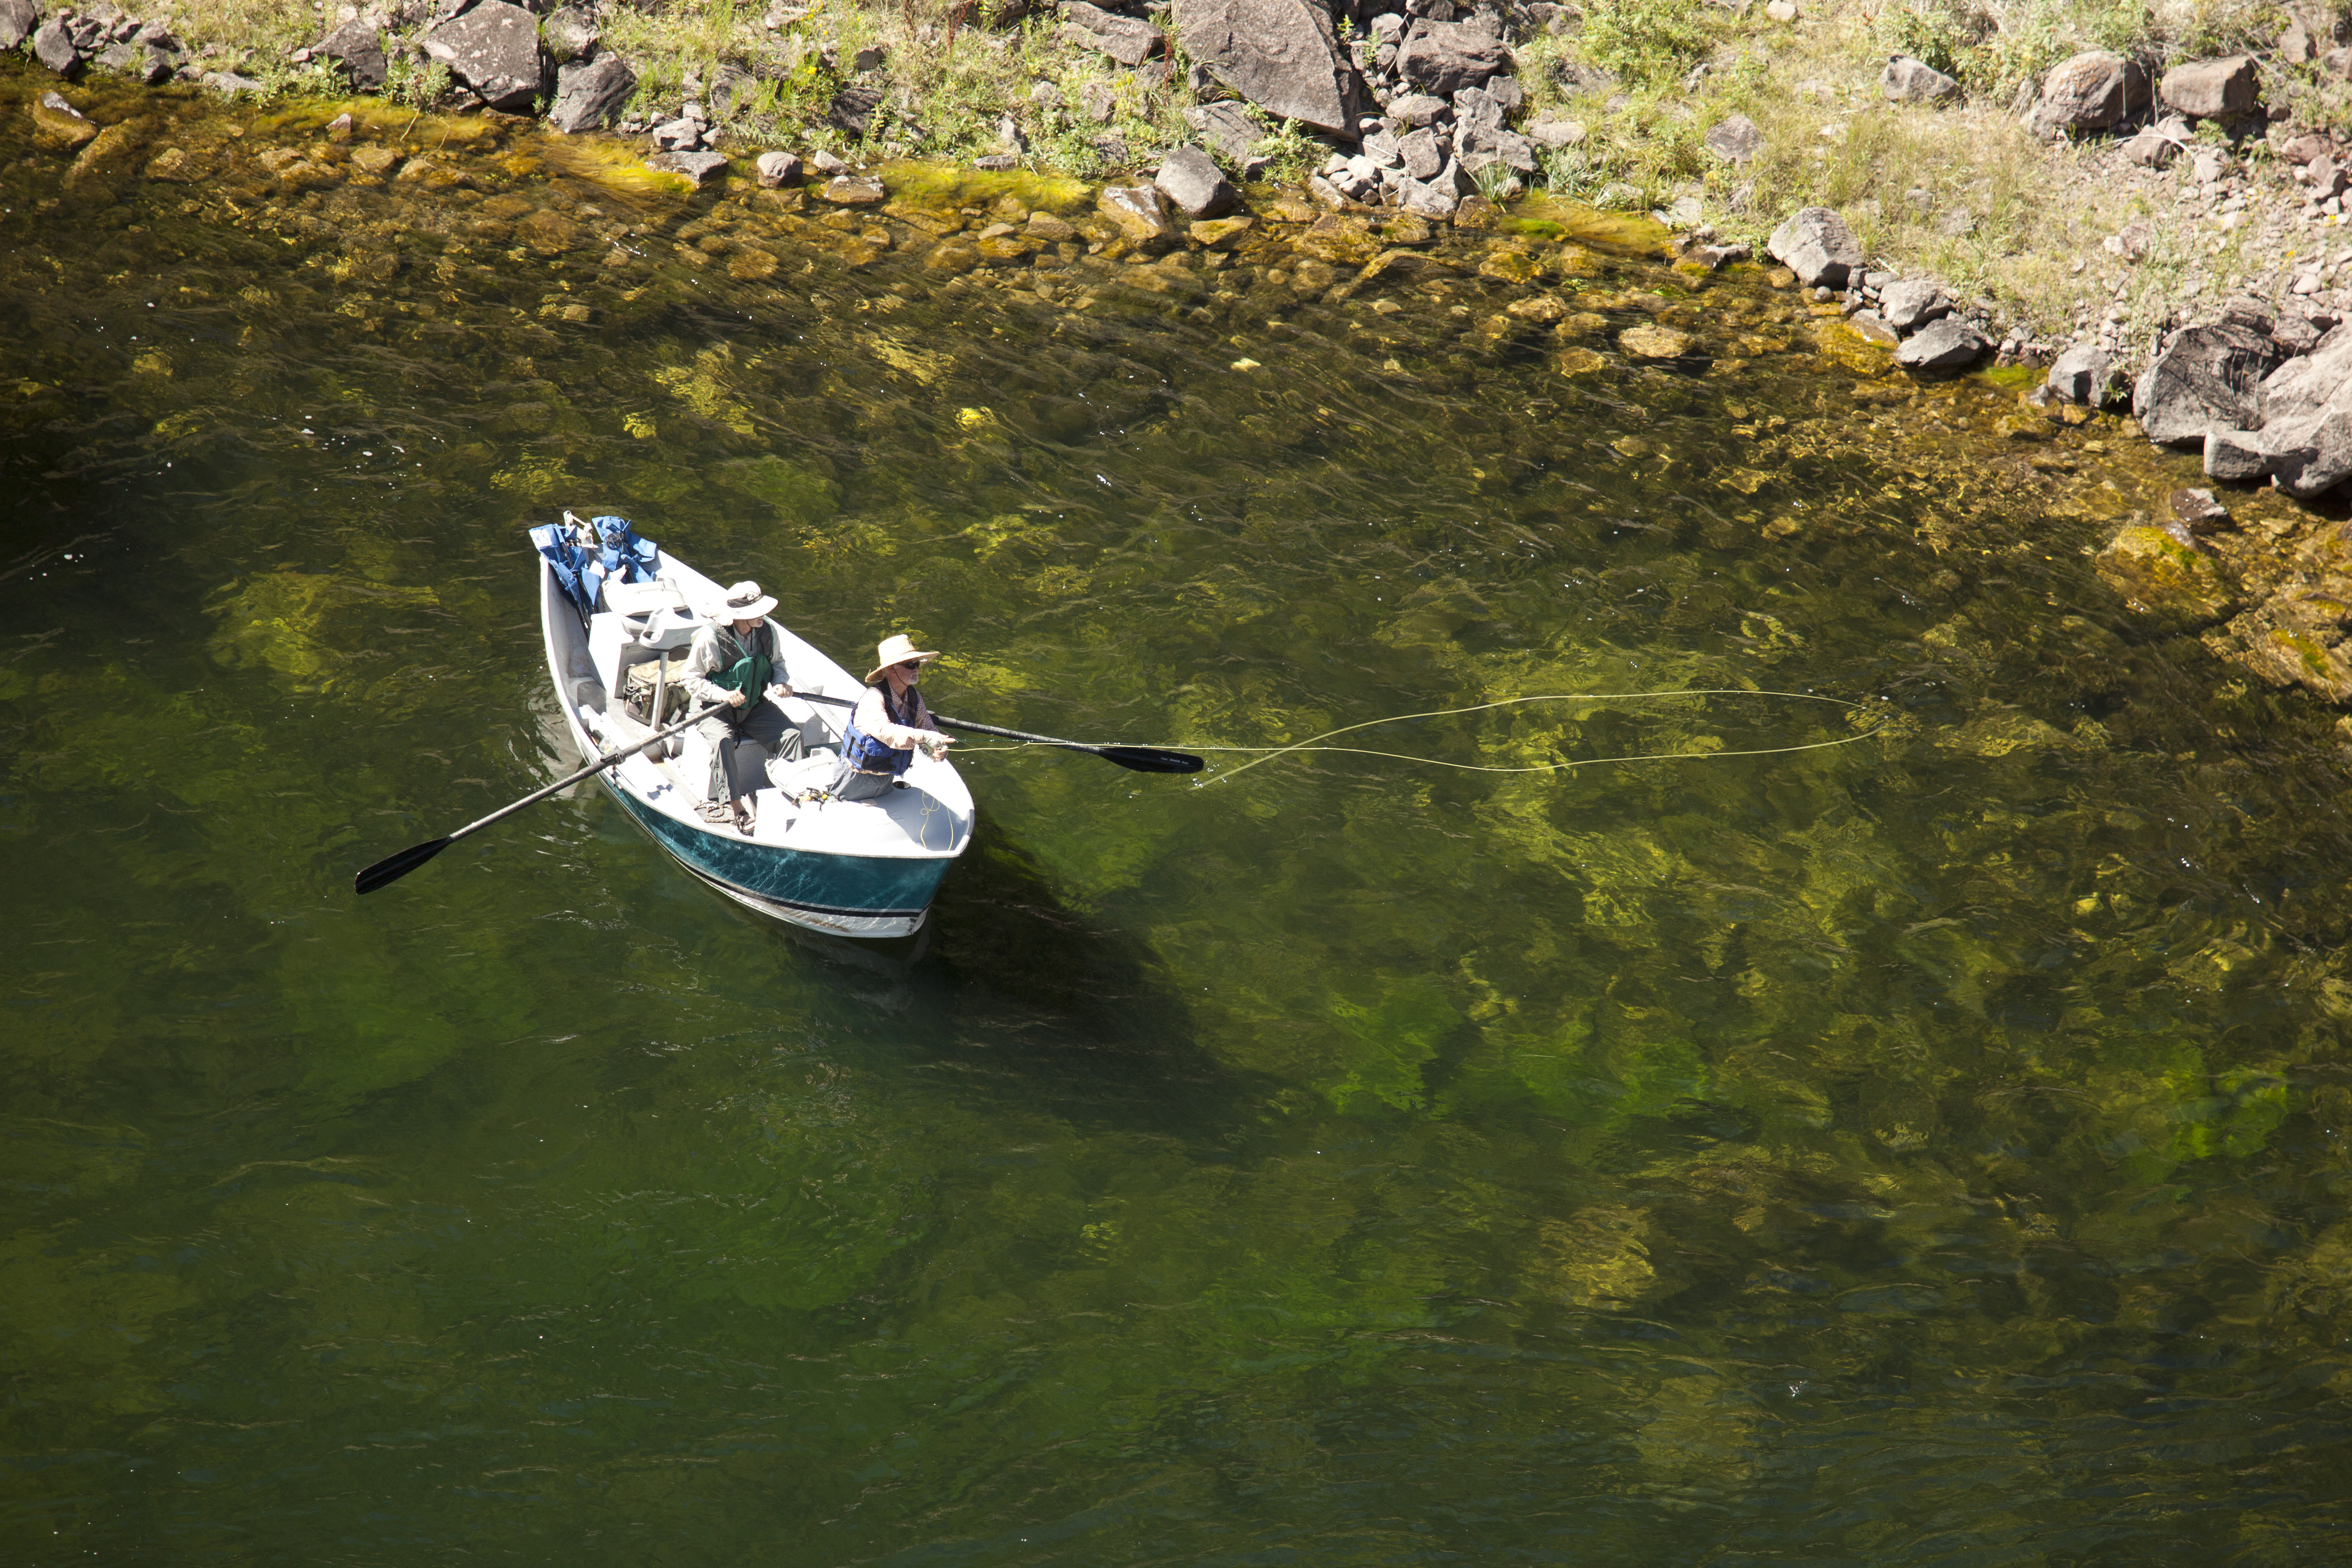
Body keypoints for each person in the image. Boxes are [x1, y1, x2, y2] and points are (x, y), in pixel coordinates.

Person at [680, 580, 800, 834]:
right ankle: (736, 808)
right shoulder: (710, 637)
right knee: (724, 741)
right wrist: (723, 695)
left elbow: (778, 663)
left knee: (792, 736)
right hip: (714, 709)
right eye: (755, 614)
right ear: (736, 617)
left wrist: (781, 683)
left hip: (754, 705)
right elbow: (690, 679)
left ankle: (785, 796)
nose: (761, 617)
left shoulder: (768, 631)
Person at [830, 634, 954, 802]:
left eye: (917, 664)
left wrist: (936, 752)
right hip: (854, 778)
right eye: (910, 665)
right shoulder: (873, 697)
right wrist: (923, 737)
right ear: (891, 669)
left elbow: (929, 731)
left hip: (887, 779)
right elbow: (885, 732)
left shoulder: (914, 698)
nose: (916, 669)